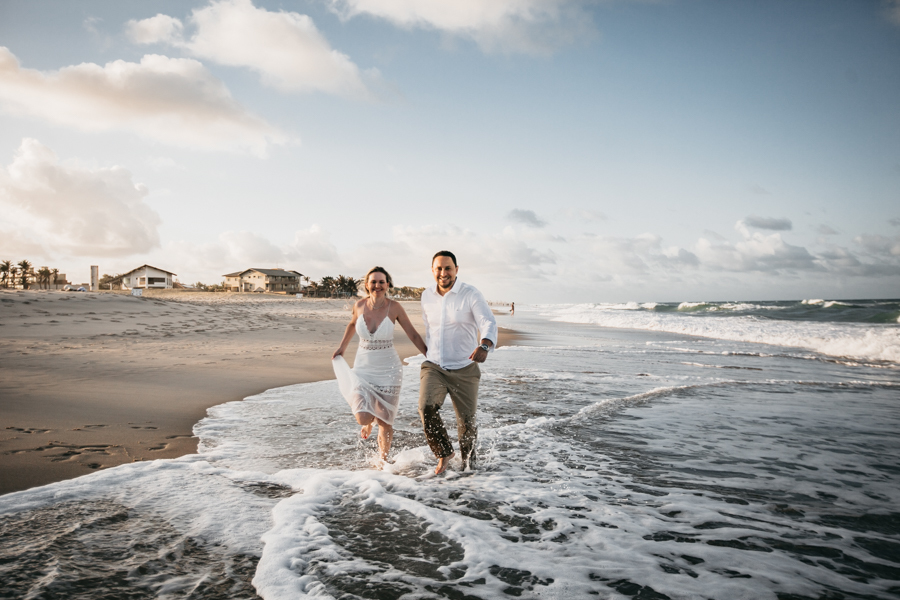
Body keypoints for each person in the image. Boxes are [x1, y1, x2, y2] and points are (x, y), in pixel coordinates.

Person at [332, 266, 427, 463]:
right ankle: (368, 424)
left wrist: (429, 354)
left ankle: (383, 462)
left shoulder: (395, 308)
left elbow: (413, 334)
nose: (377, 285)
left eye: (381, 282)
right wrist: (342, 348)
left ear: (388, 284)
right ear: (367, 285)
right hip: (363, 367)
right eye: (373, 282)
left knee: (385, 421)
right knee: (362, 417)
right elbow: (351, 324)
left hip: (389, 369)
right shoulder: (358, 306)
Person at [419, 251, 498, 474]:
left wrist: (484, 345)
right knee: (426, 408)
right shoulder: (426, 296)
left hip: (465, 369)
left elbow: (488, 322)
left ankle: (469, 469)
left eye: (448, 268)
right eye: (438, 268)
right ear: (432, 270)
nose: (443, 273)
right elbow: (429, 329)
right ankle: (444, 453)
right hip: (434, 366)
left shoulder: (470, 294)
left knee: (467, 424)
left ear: (456, 269)